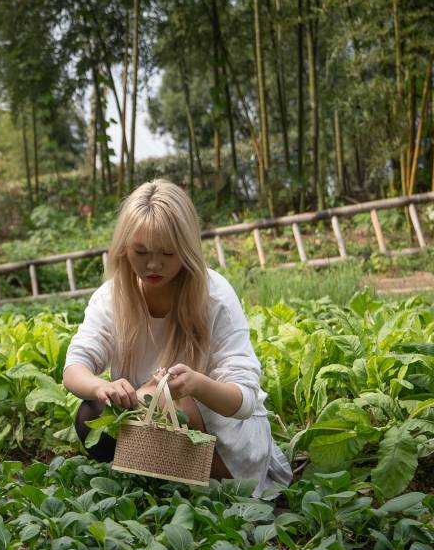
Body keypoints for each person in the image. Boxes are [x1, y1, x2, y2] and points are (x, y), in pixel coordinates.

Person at [61, 180, 293, 496]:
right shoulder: (112, 298)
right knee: (92, 412)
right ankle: (156, 480)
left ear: (186, 249)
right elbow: (75, 367)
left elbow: (245, 400)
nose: (153, 265)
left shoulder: (214, 296)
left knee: (175, 400)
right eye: (140, 252)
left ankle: (218, 492)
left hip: (221, 434)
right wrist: (102, 387)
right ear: (124, 248)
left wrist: (197, 385)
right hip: (151, 420)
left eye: (168, 253)